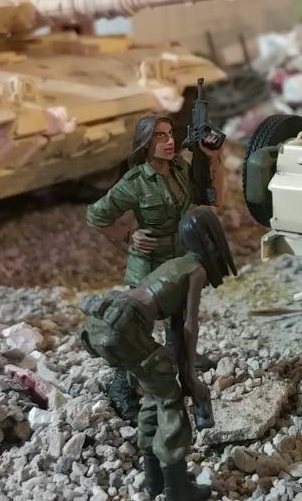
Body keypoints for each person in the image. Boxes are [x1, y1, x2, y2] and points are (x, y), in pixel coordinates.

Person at [79, 208, 236, 501]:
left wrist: (179, 367)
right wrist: (190, 377)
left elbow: (170, 321)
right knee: (170, 401)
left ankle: (155, 480)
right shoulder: (196, 270)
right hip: (126, 327)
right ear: (211, 243)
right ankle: (177, 488)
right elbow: (189, 326)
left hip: (106, 321)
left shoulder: (176, 263)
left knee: (154, 394)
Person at [85, 114, 225, 419]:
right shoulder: (134, 182)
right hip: (147, 266)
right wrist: (127, 235)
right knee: (134, 331)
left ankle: (182, 358)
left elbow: (213, 200)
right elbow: (96, 216)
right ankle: (122, 387)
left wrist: (213, 160)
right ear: (146, 144)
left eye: (170, 134)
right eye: (160, 136)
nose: (170, 141)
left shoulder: (180, 170)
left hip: (179, 256)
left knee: (180, 319)